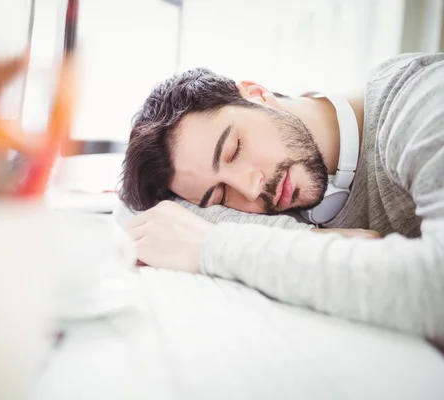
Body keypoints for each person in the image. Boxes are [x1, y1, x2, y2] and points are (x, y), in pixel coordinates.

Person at [118, 53, 444, 345]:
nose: (250, 190)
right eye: (220, 194)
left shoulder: (423, 101)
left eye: (234, 150)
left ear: (257, 94)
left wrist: (214, 247)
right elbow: (162, 218)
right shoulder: (272, 188)